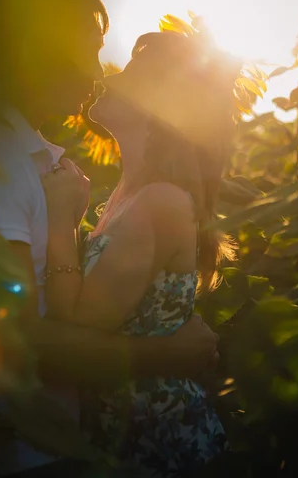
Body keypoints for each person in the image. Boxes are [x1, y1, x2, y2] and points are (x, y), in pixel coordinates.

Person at [0, 0, 219, 478]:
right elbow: (19, 340)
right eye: (91, 50)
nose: (99, 74)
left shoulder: (29, 161)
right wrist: (165, 354)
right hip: (23, 453)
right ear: (43, 48)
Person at [40, 24, 238, 476]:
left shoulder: (161, 201)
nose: (110, 79)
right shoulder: (133, 191)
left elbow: (80, 317)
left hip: (163, 448)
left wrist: (57, 219)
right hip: (130, 438)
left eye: (130, 72)